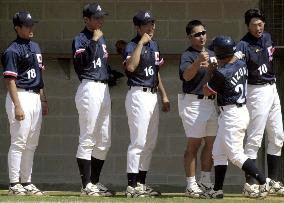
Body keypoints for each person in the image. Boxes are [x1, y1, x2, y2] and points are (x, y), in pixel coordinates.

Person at [201, 35, 271, 199]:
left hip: (232, 115)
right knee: (218, 152)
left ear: (220, 54)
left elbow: (206, 91)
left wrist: (210, 71)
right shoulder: (240, 62)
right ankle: (217, 190)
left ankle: (263, 181)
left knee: (235, 154)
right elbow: (234, 58)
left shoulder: (221, 73)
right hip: (236, 112)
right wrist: (218, 64)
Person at [236, 8, 284, 197]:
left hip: (272, 88)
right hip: (255, 90)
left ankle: (271, 182)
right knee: (254, 138)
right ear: (248, 25)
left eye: (261, 23)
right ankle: (251, 184)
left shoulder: (267, 37)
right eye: (255, 24)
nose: (259, 26)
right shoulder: (243, 45)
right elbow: (234, 64)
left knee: (278, 136)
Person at [123, 10, 170, 198]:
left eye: (153, 24)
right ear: (138, 27)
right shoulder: (132, 45)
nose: (152, 27)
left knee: (150, 142)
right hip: (138, 94)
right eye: (147, 24)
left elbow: (155, 72)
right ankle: (131, 186)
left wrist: (164, 95)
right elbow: (131, 67)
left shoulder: (155, 45)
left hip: (152, 95)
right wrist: (141, 44)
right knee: (138, 141)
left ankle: (141, 184)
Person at [1, 11, 48, 196]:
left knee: (31, 143)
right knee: (19, 142)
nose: (31, 28)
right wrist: (17, 105)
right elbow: (10, 80)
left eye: (31, 25)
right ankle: (14, 183)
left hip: (35, 96)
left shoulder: (35, 46)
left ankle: (26, 181)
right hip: (19, 96)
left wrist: (43, 99)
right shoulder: (12, 50)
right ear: (17, 28)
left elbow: (39, 76)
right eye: (27, 25)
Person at [72, 2, 114, 196]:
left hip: (103, 88)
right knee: (88, 136)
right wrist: (94, 41)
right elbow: (80, 64)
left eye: (101, 17)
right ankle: (86, 185)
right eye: (96, 18)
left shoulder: (101, 38)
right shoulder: (80, 39)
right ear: (86, 19)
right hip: (88, 87)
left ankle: (94, 182)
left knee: (104, 139)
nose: (100, 20)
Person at [178, 20, 217, 198]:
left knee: (211, 144)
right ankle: (191, 184)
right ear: (189, 37)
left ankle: (205, 181)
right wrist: (198, 62)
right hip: (193, 103)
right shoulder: (188, 55)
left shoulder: (212, 53)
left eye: (204, 33)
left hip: (210, 102)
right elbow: (186, 76)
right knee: (193, 145)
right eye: (197, 34)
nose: (202, 36)